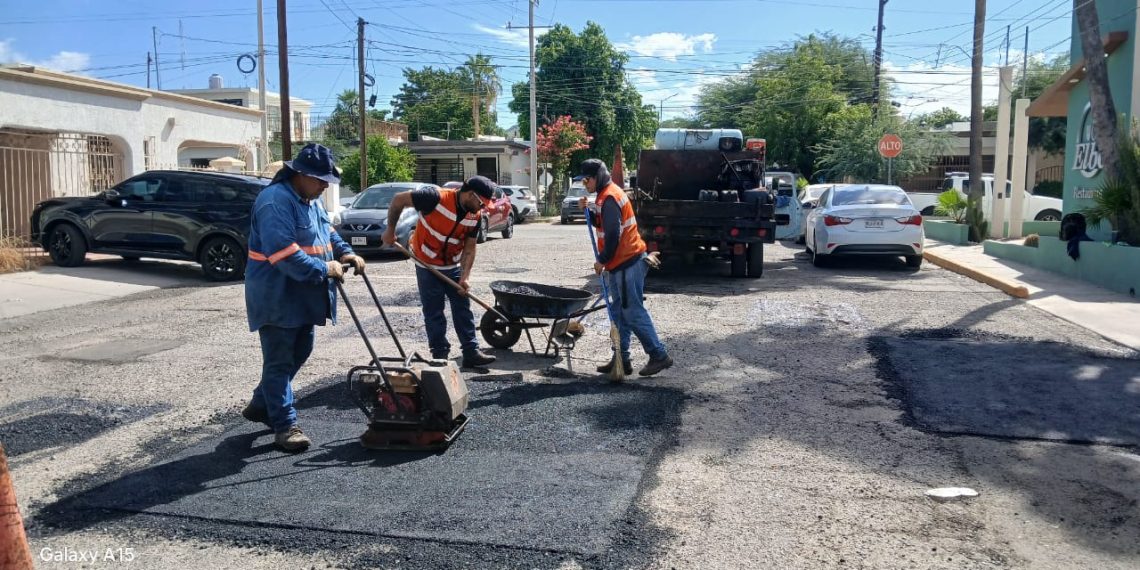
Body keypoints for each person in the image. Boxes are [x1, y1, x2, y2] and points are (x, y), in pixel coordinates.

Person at [242, 143, 366, 452]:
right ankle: (285, 425)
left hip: (302, 294)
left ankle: (261, 403)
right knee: (280, 360)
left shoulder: (310, 200)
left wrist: (346, 253)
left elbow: (328, 234)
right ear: (299, 174)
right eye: (320, 179)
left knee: (301, 350)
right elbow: (283, 253)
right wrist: (325, 267)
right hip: (276, 294)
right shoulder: (275, 202)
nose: (325, 185)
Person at [381, 176, 497, 368]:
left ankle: (471, 352)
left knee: (463, 308)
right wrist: (390, 230)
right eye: (481, 203)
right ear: (470, 194)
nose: (482, 207)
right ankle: (440, 355)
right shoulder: (434, 198)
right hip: (426, 264)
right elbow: (399, 199)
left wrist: (465, 278)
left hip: (452, 266)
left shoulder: (475, 216)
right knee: (434, 311)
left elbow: (469, 248)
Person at [577, 158, 673, 377]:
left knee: (632, 312)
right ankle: (621, 358)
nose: (585, 184)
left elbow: (613, 234)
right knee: (619, 313)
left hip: (626, 263)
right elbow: (604, 225)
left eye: (587, 180)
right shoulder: (604, 196)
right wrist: (590, 213)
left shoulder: (610, 197)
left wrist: (602, 259)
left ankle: (659, 355)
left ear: (597, 177)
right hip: (620, 264)